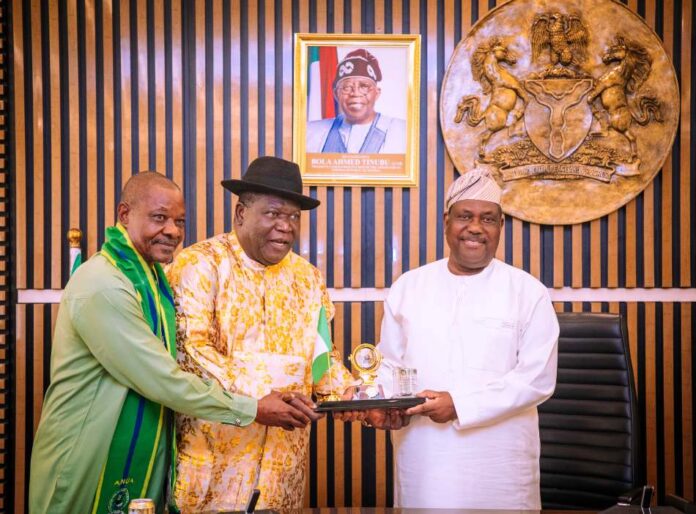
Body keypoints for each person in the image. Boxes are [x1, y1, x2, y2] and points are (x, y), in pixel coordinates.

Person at [28, 172, 317, 514]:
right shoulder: (105, 284)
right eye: (159, 218)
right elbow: (165, 376)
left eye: (179, 221)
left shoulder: (151, 278)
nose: (172, 231)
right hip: (89, 455)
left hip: (157, 453)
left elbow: (321, 354)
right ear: (124, 215)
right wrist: (253, 407)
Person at [167, 156, 358, 512]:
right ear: (241, 213)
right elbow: (189, 352)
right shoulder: (199, 264)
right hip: (212, 467)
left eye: (293, 217)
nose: (285, 226)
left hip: (283, 469)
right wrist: (257, 399)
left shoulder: (308, 277)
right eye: (273, 213)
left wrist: (354, 395)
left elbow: (320, 357)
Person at [367, 167, 559, 508]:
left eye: (487, 218)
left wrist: (460, 404)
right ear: (446, 222)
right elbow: (389, 366)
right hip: (424, 460)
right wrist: (381, 402)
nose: (475, 227)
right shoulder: (409, 287)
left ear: (501, 227)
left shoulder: (528, 292)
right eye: (464, 216)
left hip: (502, 466)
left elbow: (536, 380)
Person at [306, 48, 407, 154]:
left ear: (377, 93)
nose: (355, 93)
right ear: (336, 94)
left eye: (364, 86)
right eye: (347, 87)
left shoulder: (402, 132)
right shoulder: (311, 132)